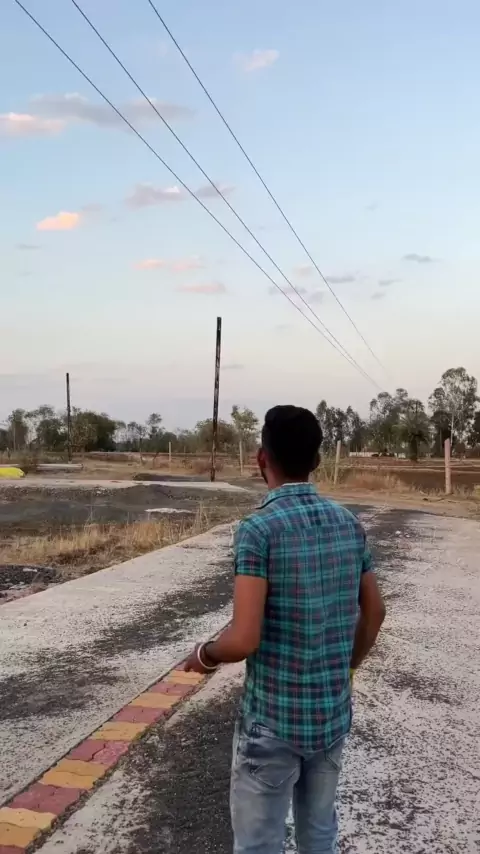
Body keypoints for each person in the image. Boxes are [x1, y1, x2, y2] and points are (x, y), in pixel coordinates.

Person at [185, 405, 385, 854]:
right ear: (317, 461)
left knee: (258, 843)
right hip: (331, 715)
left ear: (262, 458)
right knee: (319, 833)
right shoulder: (349, 523)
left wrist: (204, 655)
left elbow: (243, 638)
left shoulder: (258, 530)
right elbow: (374, 613)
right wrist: (347, 668)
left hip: (273, 722)